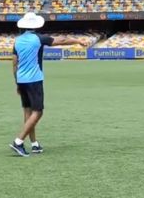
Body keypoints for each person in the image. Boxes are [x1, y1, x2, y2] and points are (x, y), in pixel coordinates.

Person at [10, 12, 87, 157]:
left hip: (21, 79)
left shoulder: (18, 40)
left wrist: (17, 82)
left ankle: (34, 144)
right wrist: (77, 41)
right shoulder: (39, 39)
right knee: (38, 112)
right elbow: (62, 40)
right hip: (34, 79)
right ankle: (18, 141)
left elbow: (14, 63)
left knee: (28, 112)